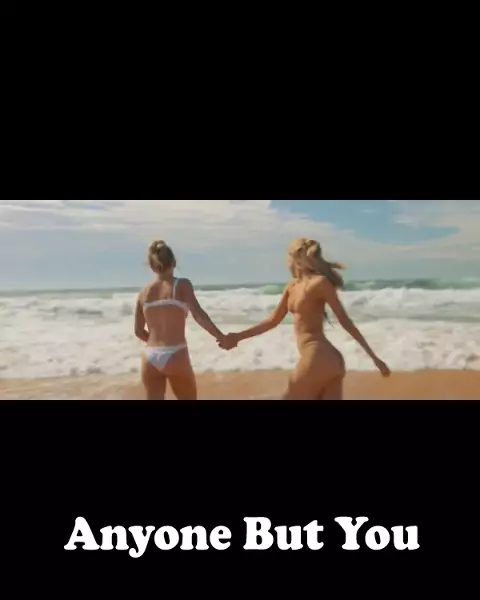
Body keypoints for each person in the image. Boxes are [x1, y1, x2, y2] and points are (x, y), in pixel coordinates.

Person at [220, 238, 390, 400]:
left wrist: (374, 358)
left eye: (287, 258)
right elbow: (272, 321)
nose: (286, 263)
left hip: (316, 356)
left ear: (294, 258)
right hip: (331, 361)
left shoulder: (319, 283)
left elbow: (345, 321)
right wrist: (237, 337)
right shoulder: (292, 287)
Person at [134, 240, 228, 400]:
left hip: (150, 357)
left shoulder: (143, 293)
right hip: (175, 353)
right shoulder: (181, 285)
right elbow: (199, 316)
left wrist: (156, 346)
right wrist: (221, 337)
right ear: (174, 262)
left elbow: (138, 331)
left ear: (151, 266)